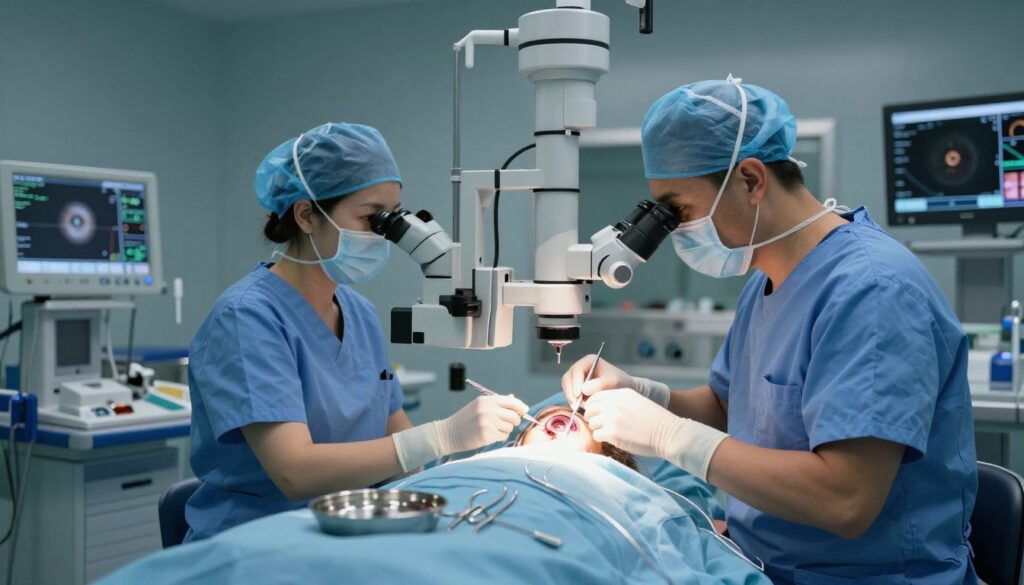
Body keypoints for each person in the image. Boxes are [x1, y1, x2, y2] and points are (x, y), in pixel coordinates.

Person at [562, 76, 978, 583]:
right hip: (765, 563)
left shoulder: (871, 290)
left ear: (752, 180)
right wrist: (642, 392)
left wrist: (669, 437)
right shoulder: (769, 277)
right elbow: (729, 406)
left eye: (682, 210)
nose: (677, 230)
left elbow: (846, 499)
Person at [185, 122, 528, 541]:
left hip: (352, 528)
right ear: (307, 215)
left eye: (393, 218)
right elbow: (294, 472)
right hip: (260, 541)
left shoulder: (359, 313)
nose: (386, 235)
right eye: (372, 218)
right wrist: (442, 435)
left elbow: (401, 440)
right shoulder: (247, 317)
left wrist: (470, 469)